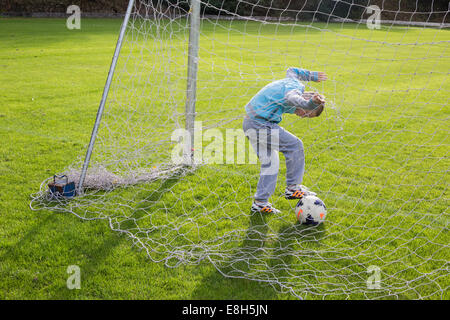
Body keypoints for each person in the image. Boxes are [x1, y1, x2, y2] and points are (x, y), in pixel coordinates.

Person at [243, 67, 327, 213]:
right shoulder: (295, 91)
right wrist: (310, 104)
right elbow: (292, 98)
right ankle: (293, 188)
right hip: (259, 124)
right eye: (306, 114)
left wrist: (312, 76)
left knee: (271, 162)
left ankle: (260, 203)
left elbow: (292, 70)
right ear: (304, 100)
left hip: (250, 123)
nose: (302, 116)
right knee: (295, 145)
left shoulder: (291, 81)